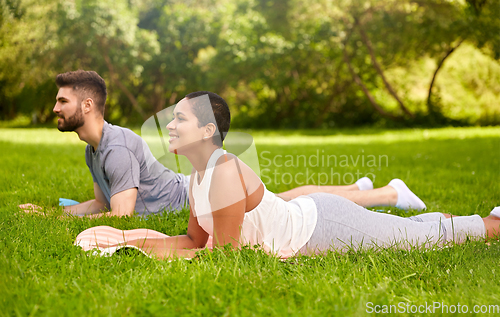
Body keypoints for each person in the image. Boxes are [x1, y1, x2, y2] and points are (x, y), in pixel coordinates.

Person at [76, 91, 499, 259]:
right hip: (312, 214)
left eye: (179, 119)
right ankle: (442, 218)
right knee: (403, 232)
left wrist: (135, 246)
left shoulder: (222, 172)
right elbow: (193, 241)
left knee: (421, 242)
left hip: (323, 227)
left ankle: (492, 223)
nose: (169, 125)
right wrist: (129, 240)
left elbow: (222, 257)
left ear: (207, 131)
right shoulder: (196, 175)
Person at [19, 70, 426, 217]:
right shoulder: (94, 150)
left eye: (62, 100)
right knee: (286, 200)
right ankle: (361, 189)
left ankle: (389, 193)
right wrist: (49, 214)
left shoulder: (117, 147)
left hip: (194, 197)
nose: (55, 107)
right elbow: (104, 204)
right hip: (193, 193)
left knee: (291, 206)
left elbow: (121, 218)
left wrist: (69, 223)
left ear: (87, 105)